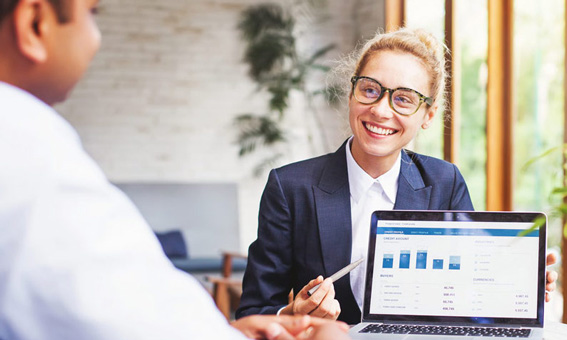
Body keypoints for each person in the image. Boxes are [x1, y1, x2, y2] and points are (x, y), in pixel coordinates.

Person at [0, 0, 350, 339]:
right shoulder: (29, 154)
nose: (96, 37)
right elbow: (116, 315)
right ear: (34, 23)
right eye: (91, 13)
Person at [236, 27, 558, 325]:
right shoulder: (290, 188)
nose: (380, 110)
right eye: (370, 89)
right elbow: (254, 313)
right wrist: (295, 313)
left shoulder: (445, 182)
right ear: (352, 94)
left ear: (428, 115)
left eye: (403, 99)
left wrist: (516, 288)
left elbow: (466, 293)